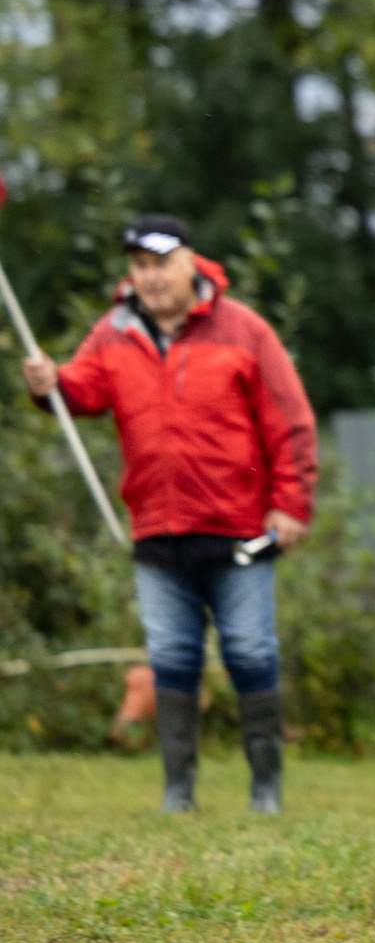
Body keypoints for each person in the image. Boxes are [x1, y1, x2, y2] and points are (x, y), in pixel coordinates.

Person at [19, 216, 316, 813]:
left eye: (161, 263)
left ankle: (267, 790)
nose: (150, 277)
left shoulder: (243, 330)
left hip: (237, 528)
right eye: (140, 266)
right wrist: (49, 383)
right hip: (157, 529)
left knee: (251, 652)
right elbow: (82, 391)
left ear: (191, 263)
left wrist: (291, 503)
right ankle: (178, 792)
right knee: (171, 659)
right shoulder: (114, 333)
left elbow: (290, 420)